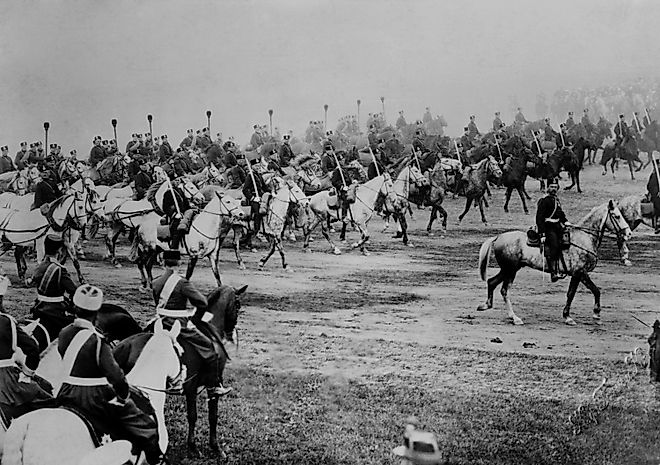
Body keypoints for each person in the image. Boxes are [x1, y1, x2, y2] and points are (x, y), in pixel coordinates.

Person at [57, 285, 164, 465]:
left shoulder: (64, 333)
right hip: (93, 398)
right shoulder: (98, 341)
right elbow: (116, 377)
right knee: (147, 426)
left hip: (64, 392)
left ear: (75, 308)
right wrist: (123, 396)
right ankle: (156, 460)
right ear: (97, 312)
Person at [152, 250, 232, 397]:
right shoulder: (182, 283)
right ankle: (214, 385)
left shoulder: (155, 281)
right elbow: (202, 302)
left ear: (163, 262)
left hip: (159, 322)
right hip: (178, 324)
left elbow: (158, 303)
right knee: (209, 347)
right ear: (179, 263)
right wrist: (195, 312)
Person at [28, 234, 77, 340]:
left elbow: (30, 282)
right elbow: (73, 290)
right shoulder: (60, 269)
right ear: (59, 250)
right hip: (55, 312)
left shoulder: (40, 266)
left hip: (39, 307)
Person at [536, 178, 568, 281]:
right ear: (548, 188)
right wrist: (542, 234)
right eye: (551, 187)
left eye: (555, 187)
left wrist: (566, 221)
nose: (554, 189)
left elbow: (560, 213)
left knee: (566, 243)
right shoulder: (544, 200)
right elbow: (539, 218)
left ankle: (562, 267)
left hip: (558, 226)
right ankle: (552, 272)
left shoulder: (556, 199)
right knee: (554, 246)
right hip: (548, 227)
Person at [161, 177, 193, 250]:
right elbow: (165, 207)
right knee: (177, 230)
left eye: (179, 180)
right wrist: (174, 214)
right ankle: (173, 249)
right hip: (174, 217)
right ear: (171, 181)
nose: (178, 182)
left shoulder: (180, 190)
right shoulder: (168, 193)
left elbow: (185, 202)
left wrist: (190, 206)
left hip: (183, 213)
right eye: (176, 180)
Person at [647, 157, 660, 234]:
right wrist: (657, 192)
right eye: (658, 165)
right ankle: (658, 224)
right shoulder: (654, 175)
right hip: (655, 195)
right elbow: (650, 186)